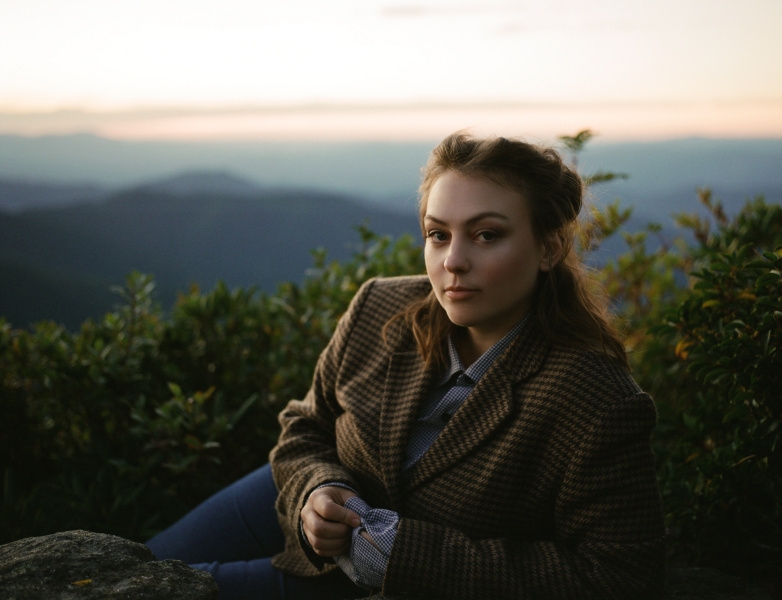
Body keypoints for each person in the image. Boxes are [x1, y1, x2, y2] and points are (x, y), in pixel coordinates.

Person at [147, 132, 666, 599]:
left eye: (487, 235)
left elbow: (616, 577)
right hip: (287, 500)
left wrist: (407, 555)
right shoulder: (380, 307)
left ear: (550, 246)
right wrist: (317, 489)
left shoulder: (596, 401)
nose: (453, 261)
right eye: (438, 234)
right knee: (138, 564)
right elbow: (306, 425)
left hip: (383, 586)